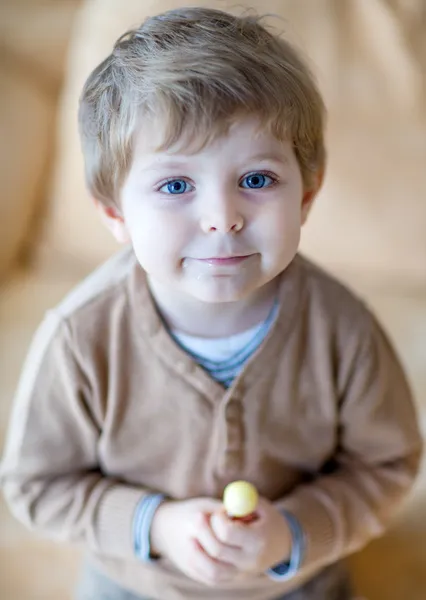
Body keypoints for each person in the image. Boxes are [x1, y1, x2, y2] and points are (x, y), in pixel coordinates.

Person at [0, 7, 422, 600]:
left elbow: (387, 466)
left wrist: (296, 531)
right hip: (136, 583)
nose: (222, 218)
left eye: (255, 179)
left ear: (307, 194)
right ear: (116, 216)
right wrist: (156, 525)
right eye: (176, 186)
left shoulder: (343, 331)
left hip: (296, 582)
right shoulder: (81, 337)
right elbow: (38, 486)